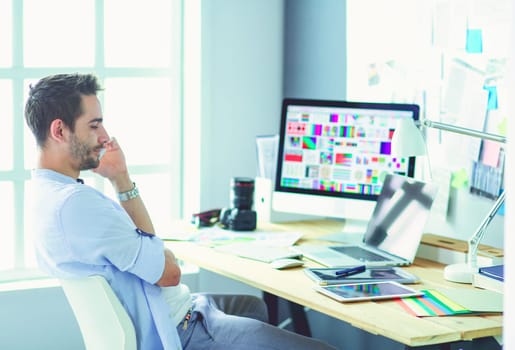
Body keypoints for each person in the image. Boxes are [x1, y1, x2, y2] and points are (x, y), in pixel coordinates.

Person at [25, 73, 337, 350]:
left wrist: (121, 179)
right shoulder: (77, 205)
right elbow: (169, 273)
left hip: (182, 309)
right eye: (94, 125)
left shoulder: (46, 194)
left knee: (253, 307)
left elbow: (151, 250)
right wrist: (162, 255)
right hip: (181, 330)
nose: (105, 136)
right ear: (60, 131)